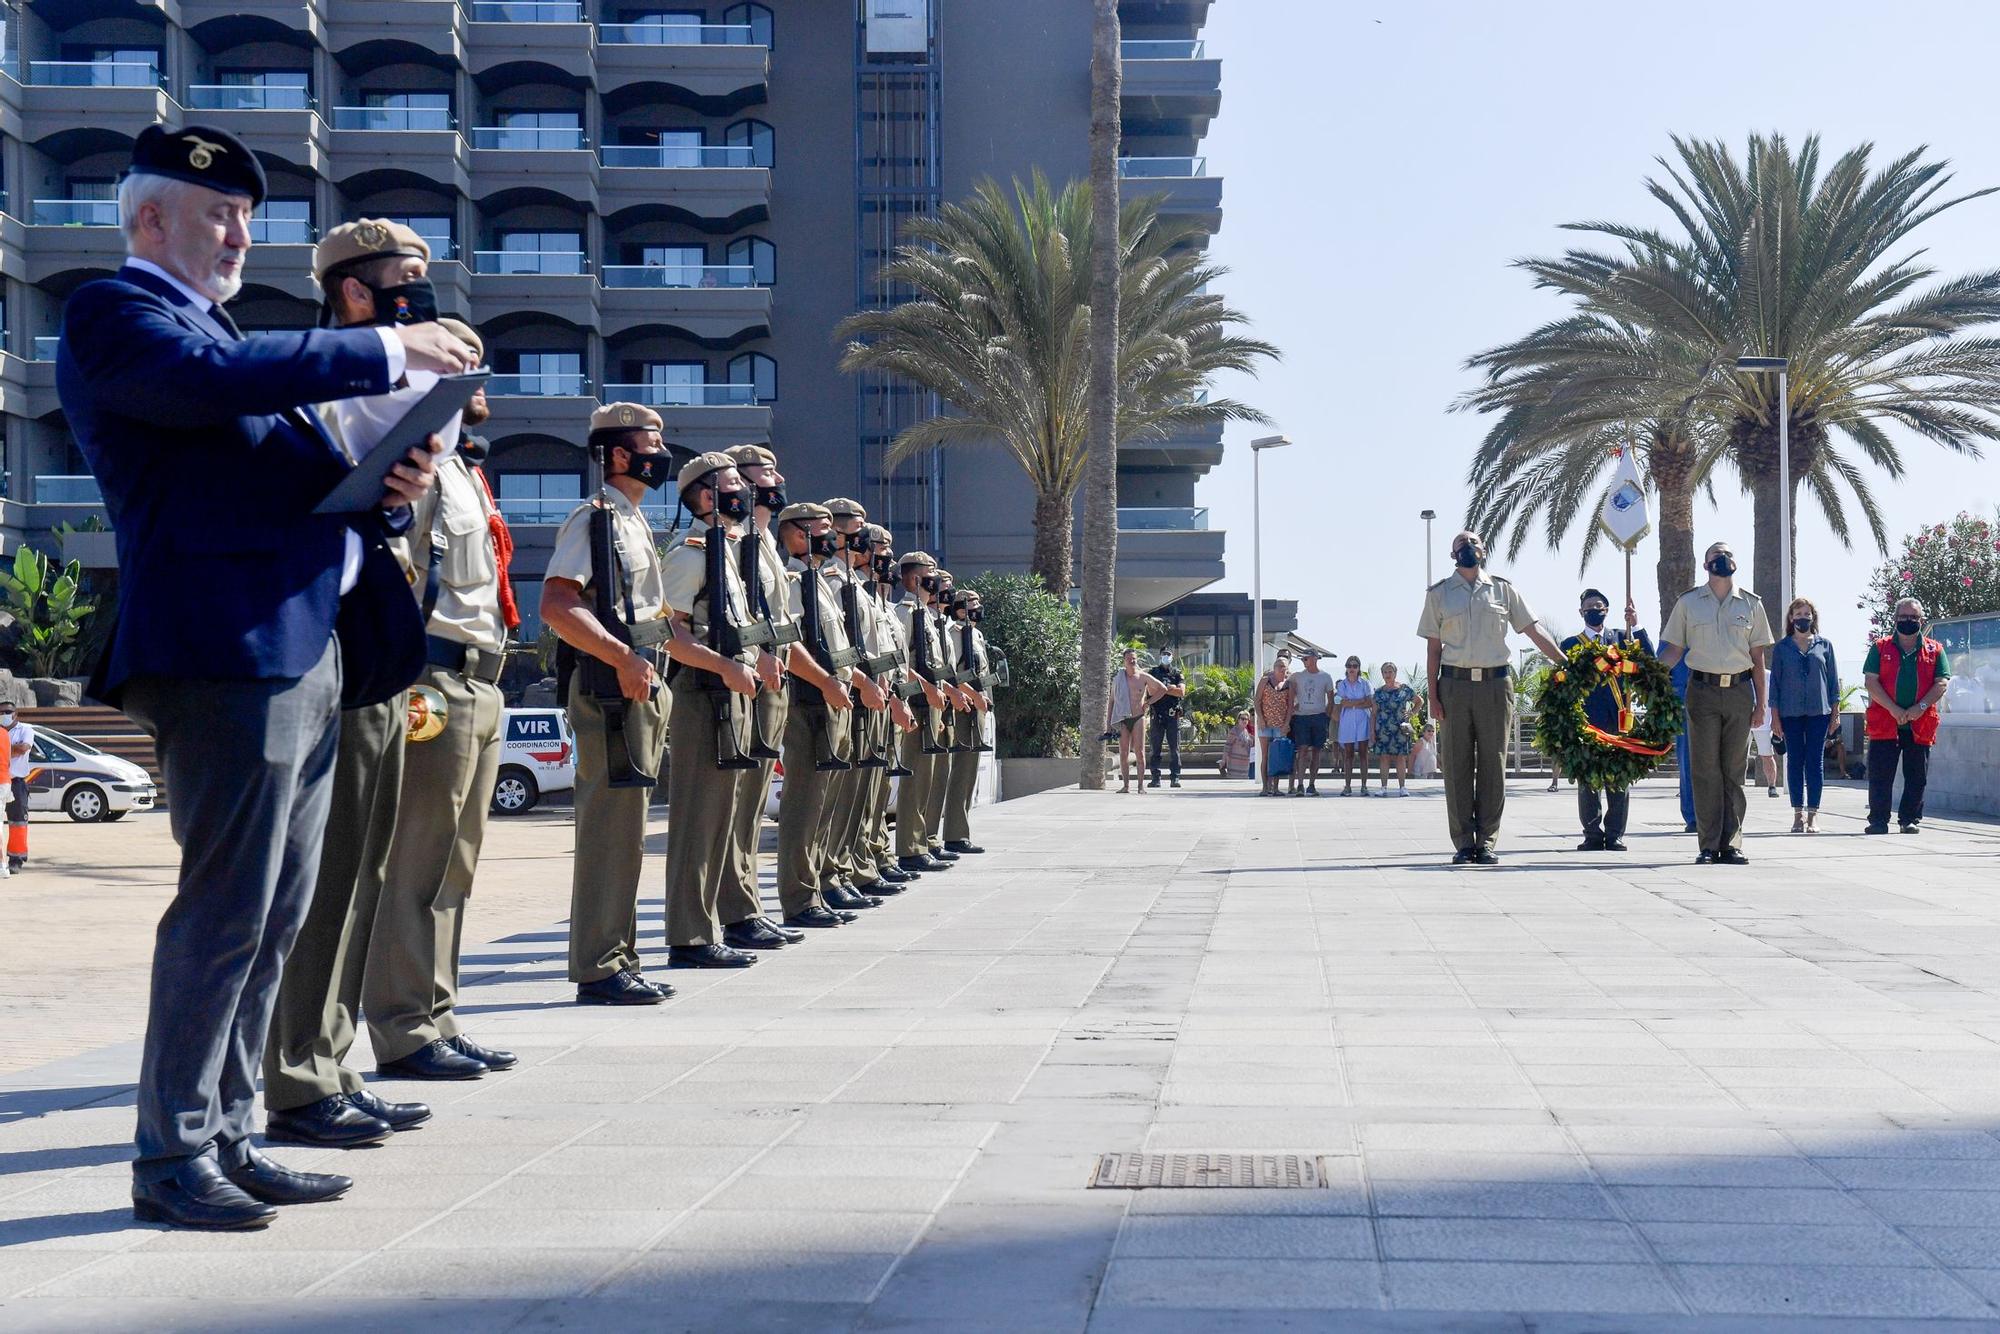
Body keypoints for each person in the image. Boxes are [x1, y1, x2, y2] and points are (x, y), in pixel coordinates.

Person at [58, 124, 473, 1230]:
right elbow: (201, 387)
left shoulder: (229, 336)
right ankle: (172, 1153)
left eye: (247, 216)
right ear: (151, 219)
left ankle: (230, 1130)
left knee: (277, 912)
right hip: (222, 648)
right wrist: (395, 352)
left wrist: (381, 485)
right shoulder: (120, 315)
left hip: (298, 644)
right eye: (216, 214)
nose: (239, 232)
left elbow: (275, 471)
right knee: (226, 911)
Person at [263, 221, 481, 1157]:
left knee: (364, 872)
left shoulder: (398, 391)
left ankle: (336, 1062)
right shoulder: (320, 383)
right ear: (355, 294)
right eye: (405, 281)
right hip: (335, 648)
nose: (421, 296)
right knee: (331, 871)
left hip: (380, 652)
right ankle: (301, 1076)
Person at [542, 405, 678, 1001]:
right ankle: (598, 966)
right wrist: (622, 658)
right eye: (651, 442)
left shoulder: (632, 522)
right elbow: (556, 604)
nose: (661, 452)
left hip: (639, 683)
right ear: (619, 455)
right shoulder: (593, 519)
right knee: (607, 828)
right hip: (609, 687)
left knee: (628, 830)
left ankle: (617, 956)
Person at [656, 454, 778, 965]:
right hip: (703, 692)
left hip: (731, 693)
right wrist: (724, 667)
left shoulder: (728, 552)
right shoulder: (690, 555)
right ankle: (689, 936)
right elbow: (668, 633)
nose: (744, 492)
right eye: (732, 484)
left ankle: (709, 928)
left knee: (722, 816)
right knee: (697, 819)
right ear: (706, 496)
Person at [1417, 530, 1565, 863]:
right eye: (1461, 545)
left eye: (1474, 543)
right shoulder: (1439, 595)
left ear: (1484, 551)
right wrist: (1434, 697)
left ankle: (1485, 841)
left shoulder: (1503, 589)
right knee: (1456, 765)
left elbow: (1533, 629)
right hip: (1454, 686)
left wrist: (1566, 662)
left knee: (1493, 764)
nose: (1468, 548)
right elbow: (1433, 649)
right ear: (1453, 555)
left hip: (1496, 686)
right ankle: (1463, 843)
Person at [712, 444, 810, 943]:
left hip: (772, 678)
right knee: (737, 800)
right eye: (765, 472)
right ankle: (736, 910)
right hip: (747, 676)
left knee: (750, 803)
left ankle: (747, 904)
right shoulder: (734, 540)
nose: (778, 478)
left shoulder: (764, 540)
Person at [772, 503, 868, 926]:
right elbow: (792, 644)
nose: (831, 537)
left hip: (833, 695)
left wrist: (848, 680)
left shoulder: (820, 582)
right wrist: (830, 682)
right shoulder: (792, 580)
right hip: (808, 698)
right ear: (796, 533)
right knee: (804, 803)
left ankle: (821, 883)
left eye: (834, 529)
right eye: (822, 528)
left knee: (826, 801)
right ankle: (800, 895)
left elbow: (838, 644)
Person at [1658, 540, 1774, 865]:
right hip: (1702, 691)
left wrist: (1761, 705)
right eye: (1716, 556)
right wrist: (1647, 674)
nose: (1723, 560)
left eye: (1727, 555)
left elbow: (1757, 658)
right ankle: (1708, 845)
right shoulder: (1689, 603)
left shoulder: (1751, 605)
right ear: (1706, 565)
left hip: (1739, 692)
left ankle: (1732, 842)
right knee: (1705, 769)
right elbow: (1673, 650)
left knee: (1734, 770)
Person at [1560, 588, 1651, 852]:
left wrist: (1637, 625)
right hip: (1587, 721)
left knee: (1618, 779)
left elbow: (1648, 660)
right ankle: (1591, 833)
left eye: (1599, 606)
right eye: (1589, 606)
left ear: (1607, 611)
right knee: (1588, 780)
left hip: (1619, 719)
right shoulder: (1571, 645)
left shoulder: (1623, 638)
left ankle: (1615, 834)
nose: (1594, 610)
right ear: (1581, 612)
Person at [1863, 597, 1950, 835]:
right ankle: (1878, 820)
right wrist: (1893, 709)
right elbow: (1871, 681)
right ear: (1895, 620)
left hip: (1919, 724)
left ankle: (1909, 819)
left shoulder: (1935, 649)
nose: (1908, 621)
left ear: (1921, 620)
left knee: (1917, 776)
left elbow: (1941, 682)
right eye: (1903, 617)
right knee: (1881, 775)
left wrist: (1918, 708)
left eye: (1913, 618)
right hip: (1885, 723)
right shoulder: (1880, 648)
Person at [893, 553, 951, 873]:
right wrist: (927, 691)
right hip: (915, 702)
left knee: (925, 777)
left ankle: (923, 841)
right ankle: (909, 847)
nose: (935, 580)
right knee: (914, 776)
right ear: (915, 580)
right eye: (929, 575)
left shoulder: (925, 615)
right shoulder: (905, 613)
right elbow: (903, 663)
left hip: (931, 704)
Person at [1769, 596, 1841, 833]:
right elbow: (1775, 686)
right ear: (1791, 618)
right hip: (1790, 713)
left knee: (1815, 762)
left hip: (1818, 712)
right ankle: (1797, 814)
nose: (1802, 618)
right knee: (1795, 762)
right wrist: (1775, 717)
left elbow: (1832, 683)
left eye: (1806, 614)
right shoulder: (1782, 648)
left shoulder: (1825, 645)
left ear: (1813, 617)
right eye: (1798, 614)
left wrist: (1835, 714)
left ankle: (1813, 815)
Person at [942, 588, 994, 850]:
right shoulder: (953, 633)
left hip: (979, 707)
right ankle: (954, 834)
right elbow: (953, 673)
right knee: (961, 772)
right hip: (962, 707)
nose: (977, 607)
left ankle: (961, 830)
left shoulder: (976, 634)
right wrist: (973, 695)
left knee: (970, 772)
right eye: (972, 603)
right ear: (960, 608)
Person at [1108, 648, 1177, 792]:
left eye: (1134, 658)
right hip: (1122, 717)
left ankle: (1140, 786)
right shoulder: (1118, 678)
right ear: (1124, 661)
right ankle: (1126, 786)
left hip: (1138, 717)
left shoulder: (1143, 677)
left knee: (1139, 751)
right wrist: (1108, 723)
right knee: (1124, 752)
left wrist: (1148, 702)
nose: (1132, 661)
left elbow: (1163, 689)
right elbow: (1112, 700)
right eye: (1129, 659)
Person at [1286, 651, 1333, 795]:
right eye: (1302, 659)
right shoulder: (1297, 676)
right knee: (1303, 750)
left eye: (1306, 658)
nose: (1304, 661)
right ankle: (1300, 784)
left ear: (1314, 659)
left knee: (1317, 751)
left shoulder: (1326, 677)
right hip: (1301, 718)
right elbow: (1282, 683)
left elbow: (1330, 700)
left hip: (1319, 716)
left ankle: (1312, 784)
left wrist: (1326, 717)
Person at [1372, 663, 1417, 796]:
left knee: (1400, 758)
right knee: (1384, 758)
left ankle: (1402, 787)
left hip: (1400, 728)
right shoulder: (1379, 692)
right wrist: (1372, 731)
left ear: (1395, 673)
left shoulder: (1404, 689)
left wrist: (1412, 712)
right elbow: (1374, 713)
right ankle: (1383, 787)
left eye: (1390, 671)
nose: (1388, 674)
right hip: (1383, 728)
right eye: (1385, 672)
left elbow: (1419, 701)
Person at [1333, 656, 1375, 796]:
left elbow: (1369, 702)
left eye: (1355, 666)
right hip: (1347, 722)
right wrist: (1359, 702)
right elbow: (1341, 702)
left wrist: (1351, 703)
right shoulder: (1342, 685)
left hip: (1363, 721)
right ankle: (1347, 786)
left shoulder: (1365, 683)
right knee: (1348, 755)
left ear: (1358, 668)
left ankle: (1364, 786)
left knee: (1364, 754)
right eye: (1349, 666)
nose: (1352, 668)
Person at [1252, 655, 1293, 797]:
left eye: (1285, 667)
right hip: (1265, 724)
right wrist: (1261, 719)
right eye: (1280, 666)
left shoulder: (1289, 684)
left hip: (1280, 725)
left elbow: (1290, 706)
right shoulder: (1265, 681)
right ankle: (1265, 787)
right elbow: (1257, 701)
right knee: (1265, 756)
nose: (1282, 670)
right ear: (1274, 668)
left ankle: (1275, 787)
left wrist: (1286, 723)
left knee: (1277, 756)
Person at [1147, 649, 1187, 789]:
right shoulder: (1153, 673)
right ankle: (1155, 778)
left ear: (1172, 657)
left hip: (1172, 715)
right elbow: (1150, 691)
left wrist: (1162, 689)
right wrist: (1170, 688)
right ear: (1160, 656)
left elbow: (1181, 692)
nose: (1166, 657)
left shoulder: (1176, 673)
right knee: (1155, 748)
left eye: (1168, 654)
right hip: (1157, 714)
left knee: (1174, 749)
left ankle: (1175, 778)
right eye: (1164, 654)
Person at [2, 700, 29, 875]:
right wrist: (11, 748)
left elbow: (23, 748)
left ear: (15, 714)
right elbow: (16, 749)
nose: (3, 715)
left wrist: (3, 748)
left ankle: (16, 859)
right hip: (1, 781)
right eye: (1, 712)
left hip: (16, 782)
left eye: (7, 711)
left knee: (18, 821)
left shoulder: (25, 729)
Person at [1749, 715, 1781, 799]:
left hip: (1763, 723)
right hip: (1742, 722)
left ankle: (1772, 787)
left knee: (1767, 755)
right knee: (1738, 756)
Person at [1222, 709, 1255, 780]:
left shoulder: (1246, 732)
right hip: (1234, 765)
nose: (1244, 721)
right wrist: (1223, 760)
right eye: (1242, 719)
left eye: (1246, 719)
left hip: (1245, 767)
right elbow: (1227, 746)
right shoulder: (1234, 731)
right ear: (1238, 720)